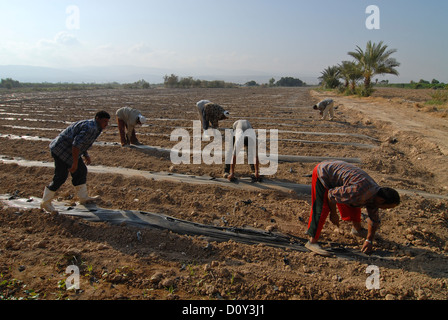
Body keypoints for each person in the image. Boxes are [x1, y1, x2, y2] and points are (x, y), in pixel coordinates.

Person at [305, 160, 400, 256]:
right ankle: (312, 241)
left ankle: (357, 230)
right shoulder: (358, 191)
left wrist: (369, 240)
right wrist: (333, 214)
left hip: (341, 178)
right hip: (324, 172)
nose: (386, 209)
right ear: (381, 201)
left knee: (355, 203)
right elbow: (331, 195)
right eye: (387, 207)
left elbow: (373, 219)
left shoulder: (374, 196)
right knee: (322, 208)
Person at [40, 111, 111, 214]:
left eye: (107, 122)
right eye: (104, 121)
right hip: (61, 150)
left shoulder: (95, 127)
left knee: (81, 171)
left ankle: (83, 197)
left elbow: (82, 142)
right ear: (97, 118)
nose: (106, 124)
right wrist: (74, 163)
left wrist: (85, 155)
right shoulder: (91, 128)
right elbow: (76, 145)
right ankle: (45, 202)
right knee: (61, 176)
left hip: (69, 150)